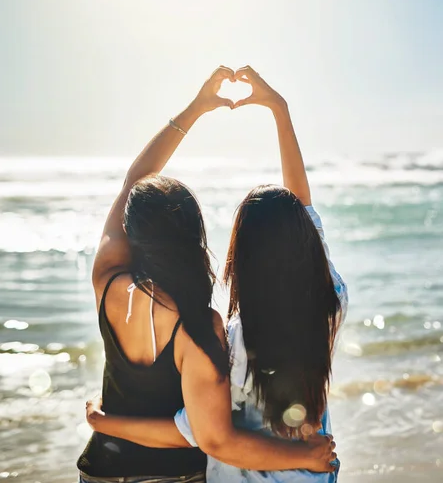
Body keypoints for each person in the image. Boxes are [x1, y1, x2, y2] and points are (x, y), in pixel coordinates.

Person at [78, 66, 337, 483]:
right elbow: (212, 437)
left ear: (134, 231)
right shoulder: (201, 326)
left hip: (101, 471)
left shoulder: (107, 279)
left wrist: (194, 110)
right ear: (194, 237)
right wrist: (300, 455)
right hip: (177, 477)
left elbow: (132, 183)